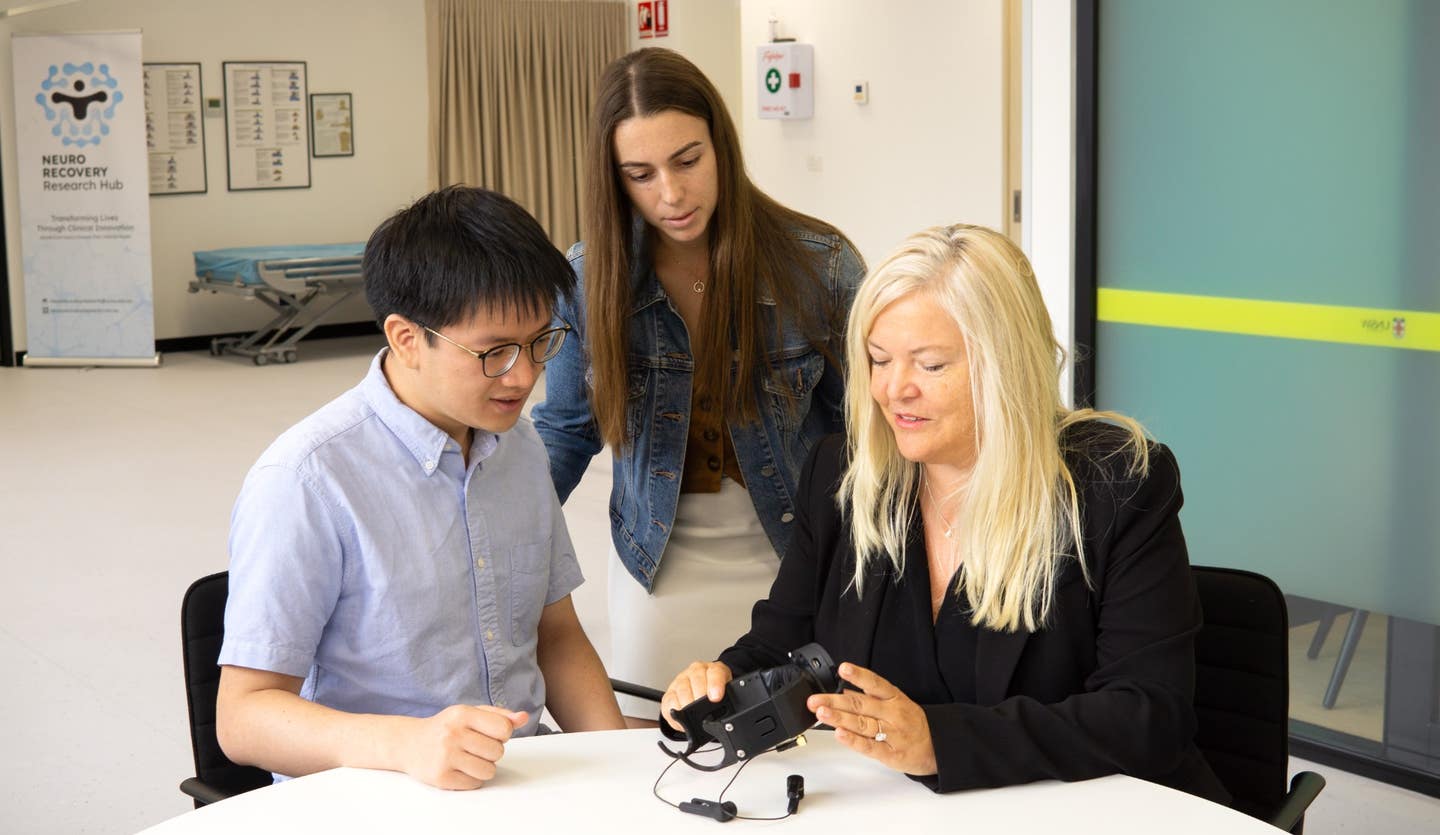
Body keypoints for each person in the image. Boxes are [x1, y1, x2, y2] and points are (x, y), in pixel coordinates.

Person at [661, 224, 1230, 803]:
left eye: (930, 366)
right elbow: (779, 645)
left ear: (1006, 366)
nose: (894, 390)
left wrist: (941, 742)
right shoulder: (843, 476)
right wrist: (716, 686)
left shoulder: (1116, 482)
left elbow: (1147, 714)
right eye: (880, 360)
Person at [216, 186, 625, 791]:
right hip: (373, 795)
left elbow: (556, 636)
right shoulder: (306, 481)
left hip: (519, 786)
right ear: (407, 338)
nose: (525, 375)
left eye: (541, 341)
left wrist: (619, 772)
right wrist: (406, 744)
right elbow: (243, 716)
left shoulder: (517, 447)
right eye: (495, 352)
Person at [531, 47, 865, 718]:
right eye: (640, 174)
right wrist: (492, 527)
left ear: (721, 146)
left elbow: (866, 435)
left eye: (687, 160)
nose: (671, 194)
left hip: (796, 559)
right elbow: (567, 431)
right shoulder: (589, 277)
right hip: (658, 568)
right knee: (661, 750)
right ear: (613, 178)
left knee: (804, 753)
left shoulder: (819, 264)